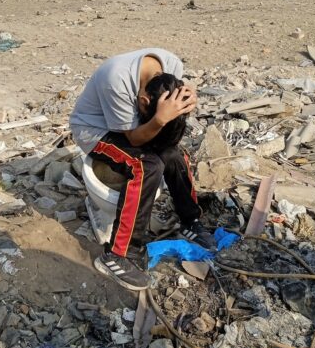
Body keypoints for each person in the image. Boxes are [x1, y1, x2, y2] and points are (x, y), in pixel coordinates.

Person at [70, 48, 214, 291]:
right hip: (95, 131)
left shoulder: (172, 65)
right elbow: (135, 140)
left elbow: (168, 120)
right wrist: (157, 120)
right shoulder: (116, 80)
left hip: (133, 126)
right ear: (144, 102)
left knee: (173, 155)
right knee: (145, 167)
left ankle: (190, 220)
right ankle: (118, 254)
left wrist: (187, 102)